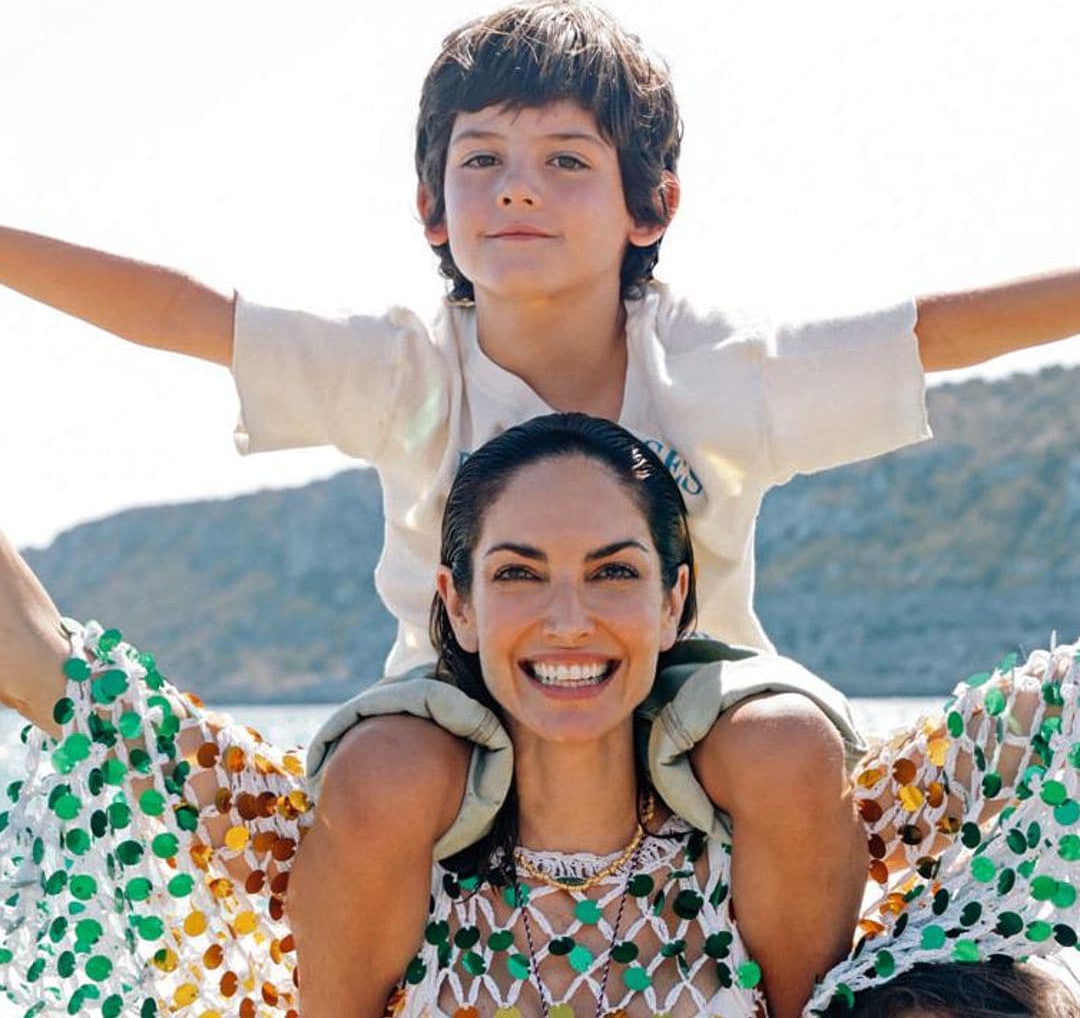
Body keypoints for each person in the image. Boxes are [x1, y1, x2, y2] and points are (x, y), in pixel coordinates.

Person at [3, 0, 1080, 1012]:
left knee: (791, 746)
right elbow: (188, 313)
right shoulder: (403, 366)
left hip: (689, 696)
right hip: (457, 697)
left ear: (651, 202)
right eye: (483, 161)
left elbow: (925, 337)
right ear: (432, 207)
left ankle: (797, 1007)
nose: (518, 187)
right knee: (383, 772)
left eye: (566, 159)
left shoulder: (715, 366)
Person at [2, 413, 1079, 1017]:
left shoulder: (783, 813)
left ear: (673, 601)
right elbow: (44, 660)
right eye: (519, 575)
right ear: (458, 604)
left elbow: (1054, 716)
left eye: (613, 573)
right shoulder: (368, 825)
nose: (569, 621)